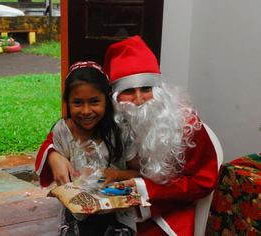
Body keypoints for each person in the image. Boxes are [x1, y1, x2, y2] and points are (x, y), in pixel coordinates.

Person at [36, 36, 220, 235]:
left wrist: (143, 188)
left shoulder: (184, 125)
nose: (139, 100)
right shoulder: (107, 117)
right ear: (112, 98)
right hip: (109, 207)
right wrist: (54, 155)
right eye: (129, 90)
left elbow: (203, 181)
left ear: (159, 91)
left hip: (164, 211)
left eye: (147, 89)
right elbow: (63, 134)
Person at [41, 61, 138, 236]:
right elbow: (62, 182)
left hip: (116, 217)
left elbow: (139, 174)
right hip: (76, 218)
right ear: (67, 102)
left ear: (107, 100)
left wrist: (115, 175)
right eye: (77, 102)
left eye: (94, 102)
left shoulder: (122, 131)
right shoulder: (63, 131)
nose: (86, 111)